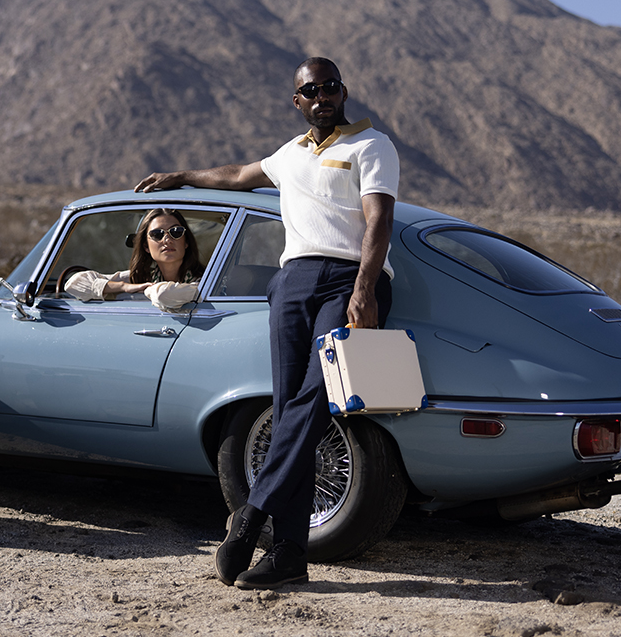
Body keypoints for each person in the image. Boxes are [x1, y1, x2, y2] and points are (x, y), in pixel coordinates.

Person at [135, 57, 398, 590]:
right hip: (293, 282)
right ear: (297, 102)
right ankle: (289, 557)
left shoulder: (372, 146)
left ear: (343, 91)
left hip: (348, 281)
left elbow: (379, 218)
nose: (322, 95)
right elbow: (234, 176)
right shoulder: (289, 154)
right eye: (311, 90)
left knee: (309, 400)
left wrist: (365, 288)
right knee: (289, 409)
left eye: (330, 87)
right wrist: (179, 177)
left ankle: (251, 515)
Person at [63, 208, 205, 311]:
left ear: (186, 242)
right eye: (157, 234)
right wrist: (124, 287)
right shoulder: (139, 277)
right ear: (146, 247)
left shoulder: (206, 281)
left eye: (176, 232)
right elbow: (73, 284)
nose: (167, 239)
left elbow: (163, 295)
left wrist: (147, 290)